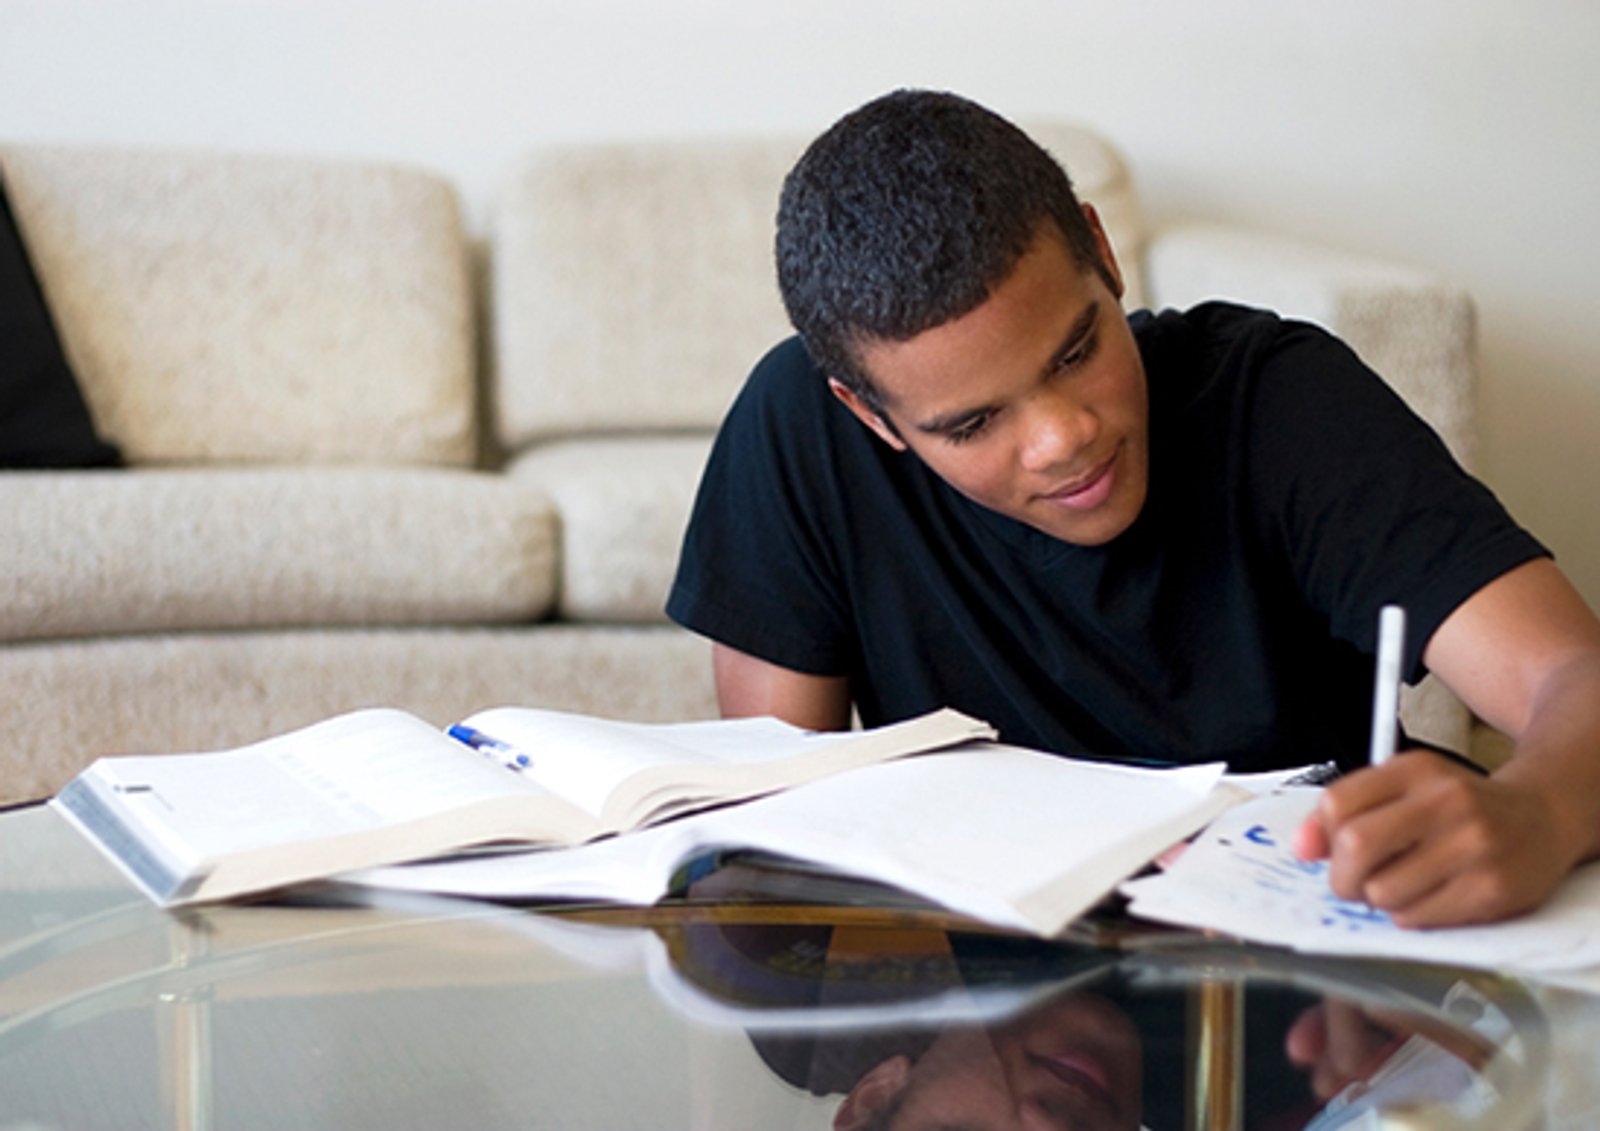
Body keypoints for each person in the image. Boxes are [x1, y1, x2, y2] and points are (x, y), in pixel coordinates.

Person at [666, 88, 1600, 929]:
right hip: (1004, 1007)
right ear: (871, 414)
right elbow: (775, 828)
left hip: (1317, 973)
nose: (1062, 438)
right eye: (975, 423)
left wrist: (1539, 810)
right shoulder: (801, 431)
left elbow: (1573, 674)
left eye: (1076, 352)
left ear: (1103, 253)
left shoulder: (1280, 401)